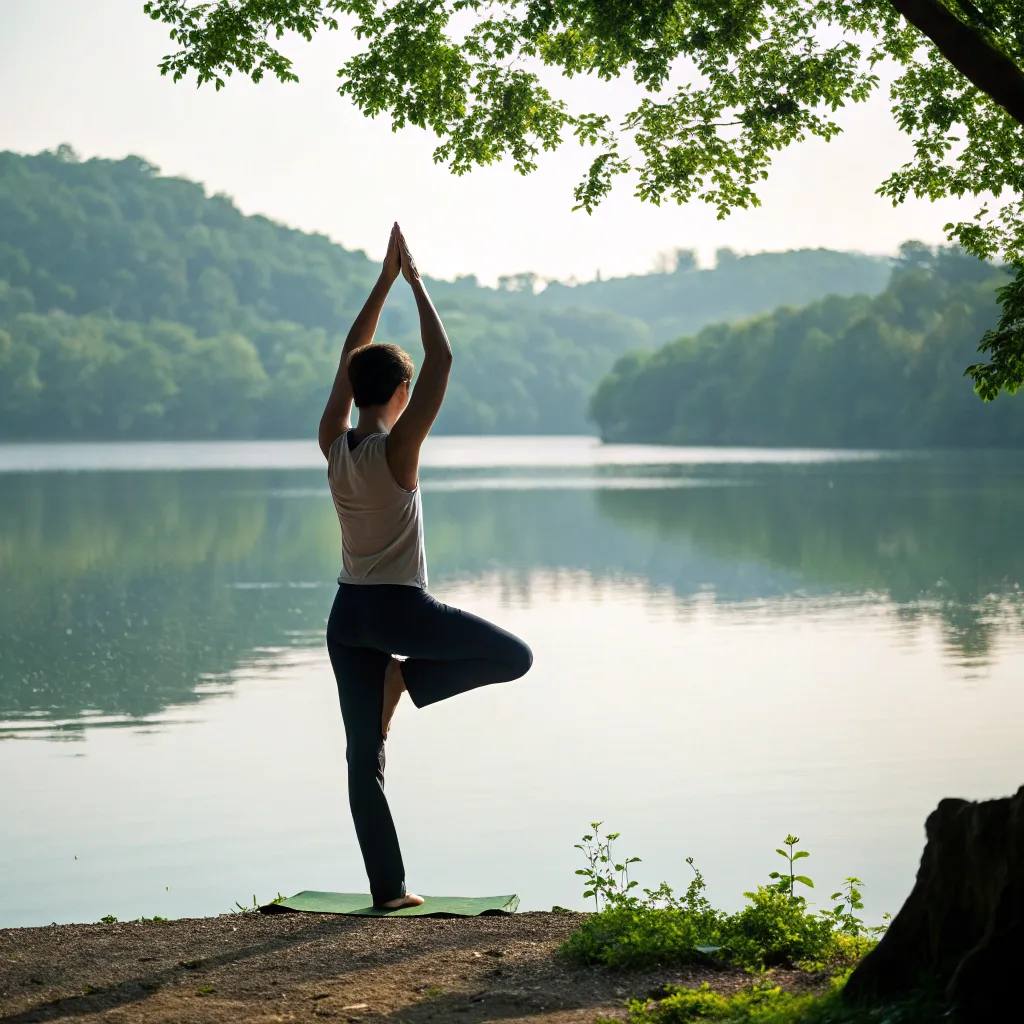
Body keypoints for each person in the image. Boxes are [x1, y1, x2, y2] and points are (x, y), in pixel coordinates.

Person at [318, 223, 534, 910]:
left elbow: (351, 359)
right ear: (401, 394)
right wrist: (414, 283)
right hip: (400, 609)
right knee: (515, 657)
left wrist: (379, 285)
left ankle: (390, 892)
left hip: (347, 614)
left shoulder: (334, 445)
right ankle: (405, 676)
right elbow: (443, 359)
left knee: (362, 761)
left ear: (354, 392)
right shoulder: (397, 451)